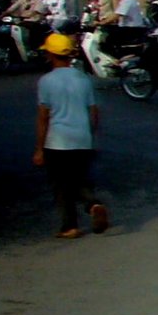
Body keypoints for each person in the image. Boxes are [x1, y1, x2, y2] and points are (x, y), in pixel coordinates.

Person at [34, 33, 110, 239]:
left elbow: (43, 118)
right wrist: (90, 137)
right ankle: (93, 204)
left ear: (51, 55)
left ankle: (70, 226)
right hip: (82, 139)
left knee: (61, 184)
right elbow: (93, 112)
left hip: (57, 141)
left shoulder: (46, 82)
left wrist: (39, 149)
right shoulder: (83, 79)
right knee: (79, 179)